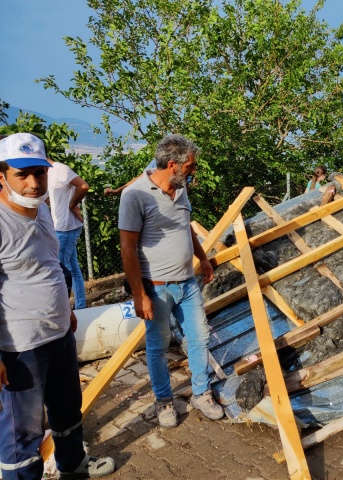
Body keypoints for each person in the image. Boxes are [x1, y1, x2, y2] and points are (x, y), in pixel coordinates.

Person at [0, 132, 115, 479]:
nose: (34, 183)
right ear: (2, 176)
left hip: (59, 333)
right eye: (22, 174)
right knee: (23, 434)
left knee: (67, 411)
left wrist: (67, 310)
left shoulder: (43, 210)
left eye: (40, 172)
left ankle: (73, 463)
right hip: (21, 348)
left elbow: (52, 265)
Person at [118, 134, 223, 428]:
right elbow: (127, 248)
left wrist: (202, 257)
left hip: (188, 284)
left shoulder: (180, 189)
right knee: (158, 346)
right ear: (174, 165)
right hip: (157, 288)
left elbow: (185, 226)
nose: (194, 171)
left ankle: (201, 393)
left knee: (200, 337)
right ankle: (164, 401)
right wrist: (140, 295)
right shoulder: (135, 195)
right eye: (190, 166)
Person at [46, 157, 90, 309]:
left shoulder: (59, 169)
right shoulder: (48, 172)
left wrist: (72, 205)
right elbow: (51, 198)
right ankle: (80, 305)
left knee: (61, 270)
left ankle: (64, 310)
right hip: (61, 227)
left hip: (66, 228)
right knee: (72, 267)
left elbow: (84, 186)